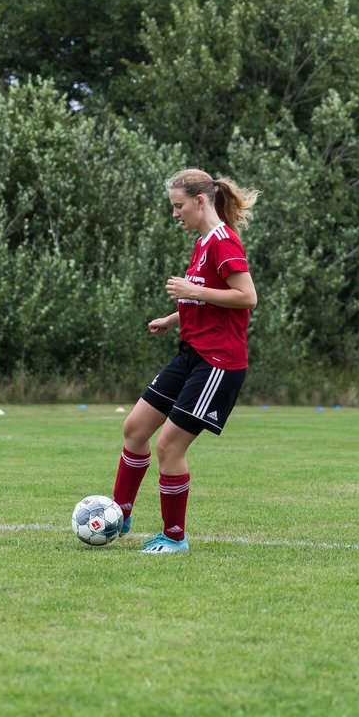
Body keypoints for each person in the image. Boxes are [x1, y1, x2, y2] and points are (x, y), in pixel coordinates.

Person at [111, 168, 260, 554]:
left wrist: (192, 289)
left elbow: (246, 296)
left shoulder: (224, 242)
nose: (175, 213)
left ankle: (175, 537)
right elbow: (208, 300)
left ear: (199, 201)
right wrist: (175, 316)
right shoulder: (202, 242)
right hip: (190, 353)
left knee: (169, 447)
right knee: (134, 428)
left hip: (218, 363)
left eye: (179, 206)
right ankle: (119, 514)